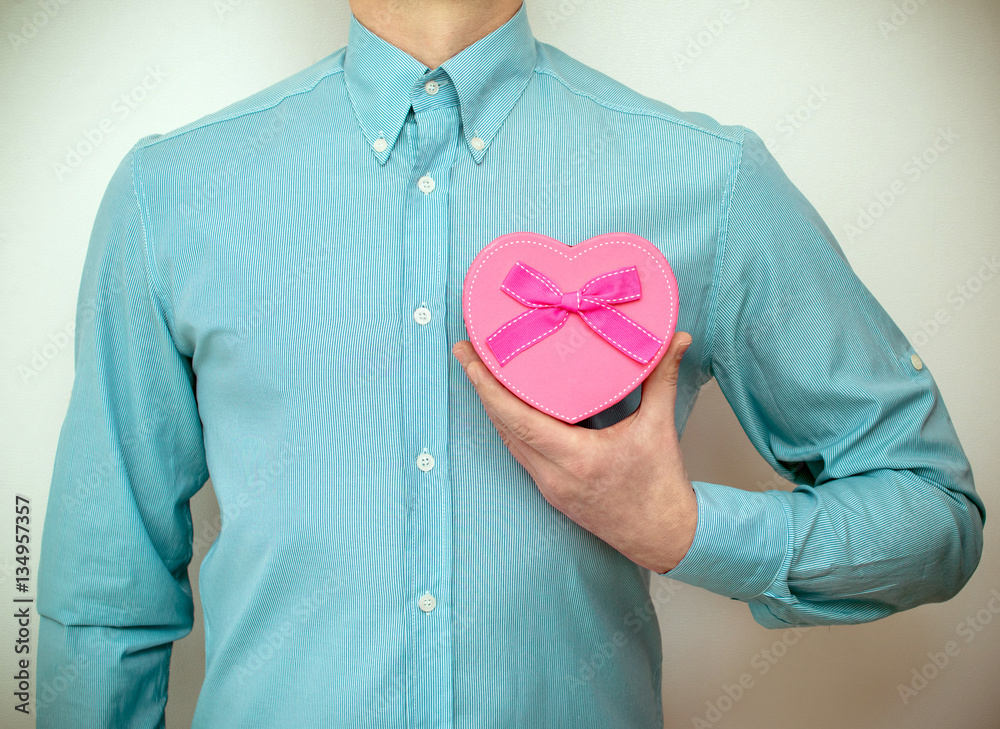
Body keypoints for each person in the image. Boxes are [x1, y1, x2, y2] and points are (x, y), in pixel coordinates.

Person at [36, 1, 985, 727]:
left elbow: (933, 513)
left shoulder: (710, 179)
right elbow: (103, 600)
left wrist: (685, 528)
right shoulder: (171, 195)